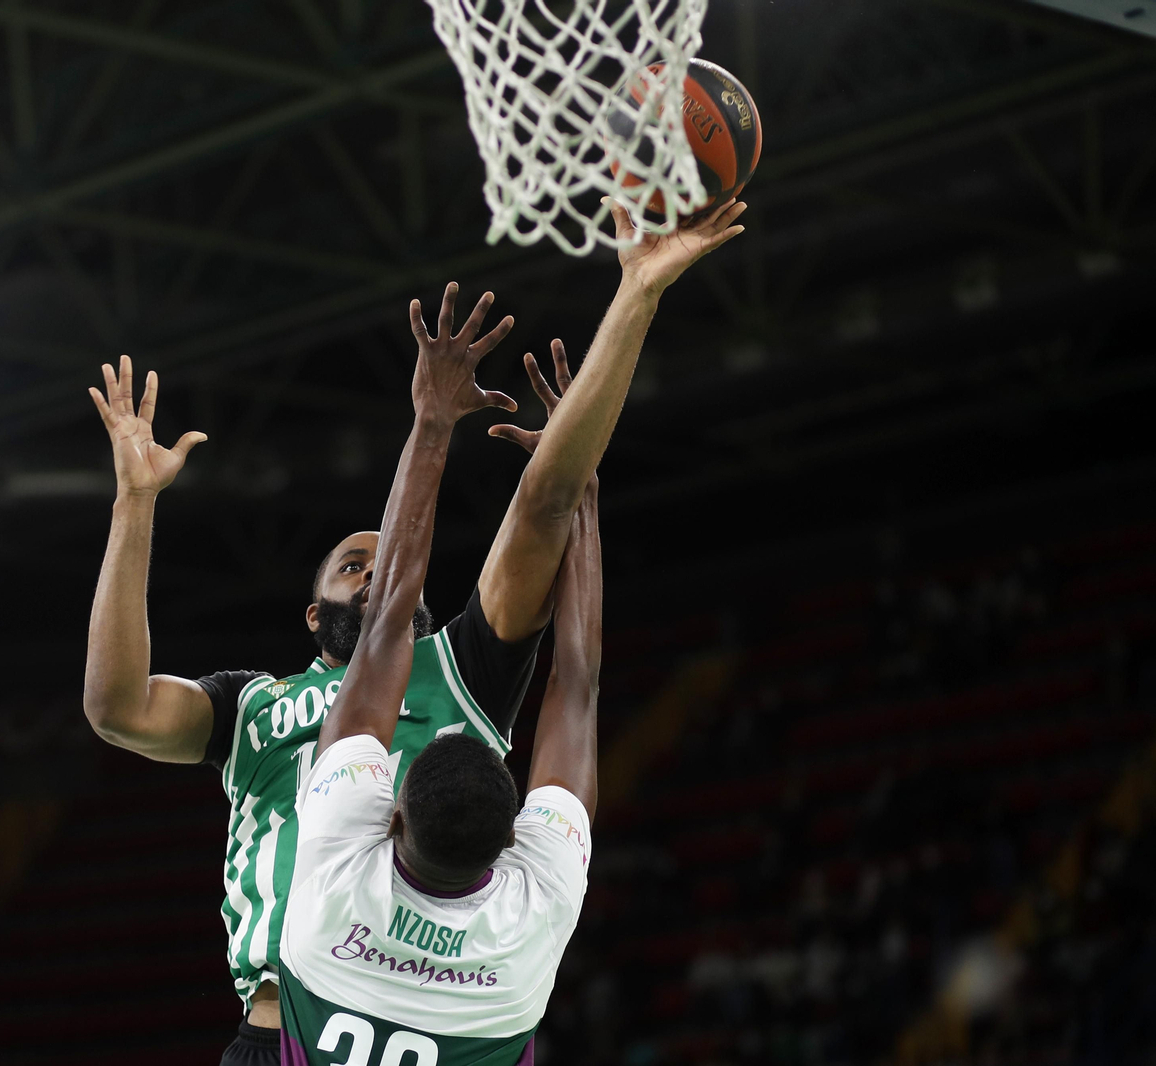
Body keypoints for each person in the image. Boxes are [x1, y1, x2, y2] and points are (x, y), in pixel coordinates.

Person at [80, 199, 746, 1061]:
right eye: (351, 562)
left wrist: (636, 296)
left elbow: (545, 502)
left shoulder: (466, 665)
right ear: (315, 613)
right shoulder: (250, 707)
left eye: (383, 559)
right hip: (273, 1028)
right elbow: (115, 708)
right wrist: (135, 505)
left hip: (398, 1003)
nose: (379, 565)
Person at [278, 330, 602, 1066]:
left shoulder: (334, 879)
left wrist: (432, 420)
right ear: (512, 842)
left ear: (390, 815)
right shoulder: (340, 880)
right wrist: (573, 490)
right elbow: (570, 691)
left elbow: (576, 686)